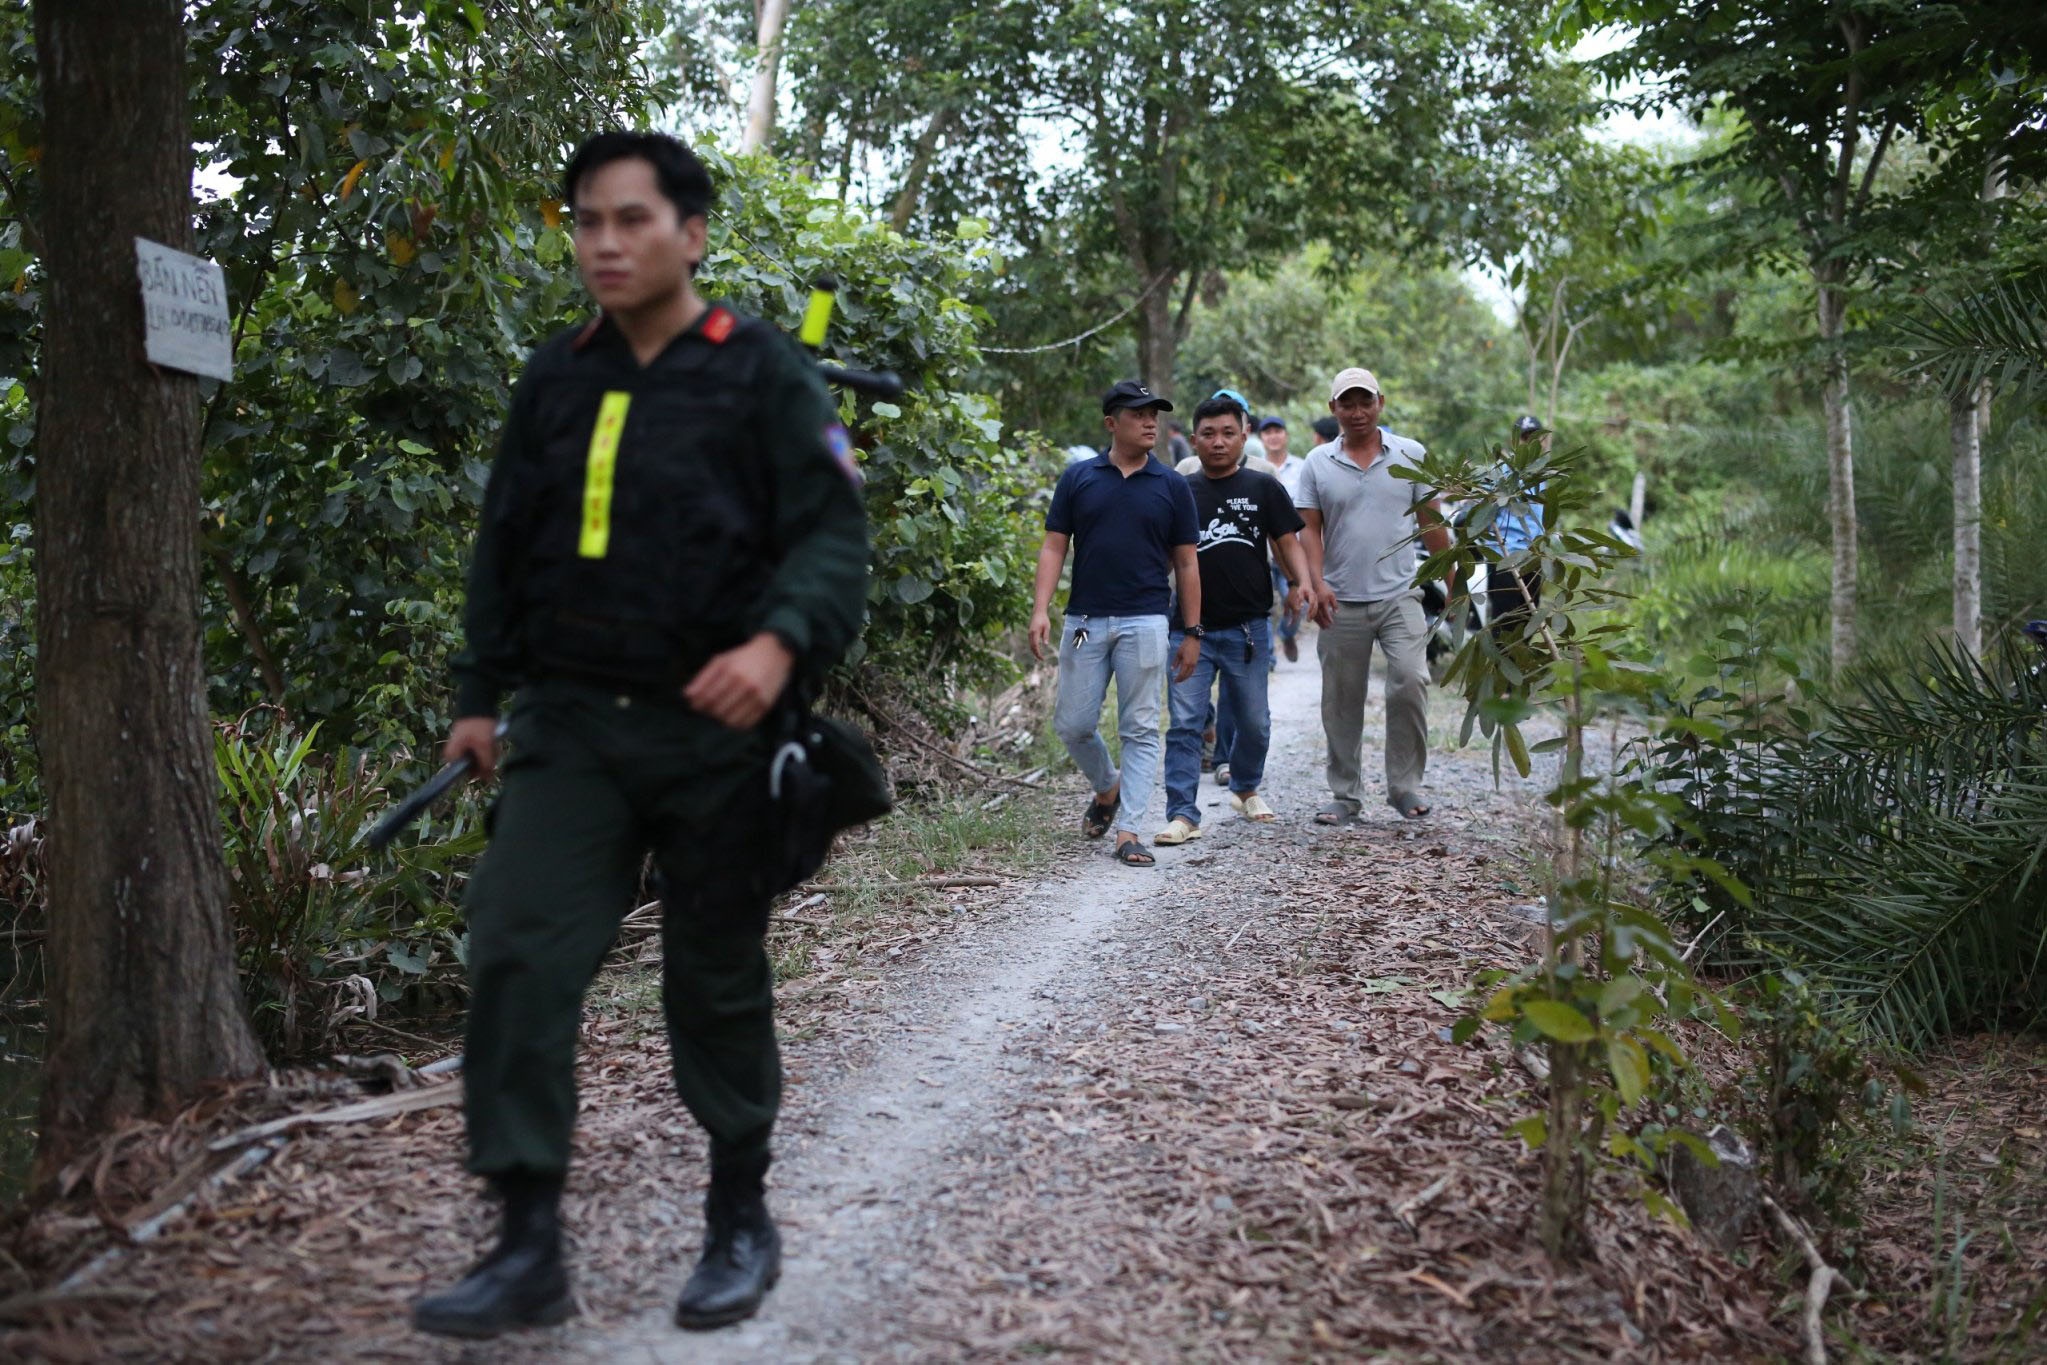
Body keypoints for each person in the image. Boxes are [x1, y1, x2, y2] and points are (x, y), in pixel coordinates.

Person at [410, 131, 870, 1339]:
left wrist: (778, 643)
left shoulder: (760, 369)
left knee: (712, 976)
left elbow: (830, 536)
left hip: (721, 736)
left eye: (630, 220)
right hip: (569, 724)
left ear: (692, 234)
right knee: (516, 947)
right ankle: (523, 1244)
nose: (603, 243)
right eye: (585, 222)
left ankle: (737, 1217)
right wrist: (476, 694)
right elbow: (501, 544)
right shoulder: (555, 376)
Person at [1029, 381, 1202, 868]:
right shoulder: (1079, 477)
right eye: (1138, 414)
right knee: (1074, 723)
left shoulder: (1171, 485)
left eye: (1156, 415)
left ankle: (1129, 832)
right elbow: (1054, 545)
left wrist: (1192, 632)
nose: (1151, 422)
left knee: (1141, 728)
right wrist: (1041, 609)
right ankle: (1108, 787)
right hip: (1085, 619)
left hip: (1147, 620)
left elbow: (1187, 564)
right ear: (1111, 423)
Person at [1295, 367, 1451, 823]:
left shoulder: (1411, 454)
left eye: (1365, 402)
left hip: (1401, 593)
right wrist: (1316, 583)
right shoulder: (1317, 463)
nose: (1357, 412)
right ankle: (1345, 795)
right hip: (1340, 598)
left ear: (1380, 402)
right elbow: (1309, 529)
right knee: (1342, 697)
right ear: (1333, 409)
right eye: (1348, 403)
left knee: (1410, 680)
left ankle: (1405, 786)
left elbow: (1432, 523)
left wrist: (1452, 582)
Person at [1155, 398, 1308, 845]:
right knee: (1185, 723)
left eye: (1227, 433)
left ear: (1244, 437)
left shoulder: (1263, 487)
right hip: (1188, 630)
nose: (1218, 442)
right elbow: (1163, 556)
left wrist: (1300, 583)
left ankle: (1244, 786)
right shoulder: (1179, 490)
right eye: (1208, 433)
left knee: (1254, 720)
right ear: (1195, 439)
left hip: (1249, 629)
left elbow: (1286, 542)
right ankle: (1183, 813)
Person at [1490, 415, 1547, 640]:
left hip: (1534, 561)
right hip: (1506, 558)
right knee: (1503, 631)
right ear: (1515, 441)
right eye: (1524, 437)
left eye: (1534, 437)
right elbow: (1486, 511)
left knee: (1527, 628)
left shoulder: (1542, 474)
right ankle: (1497, 674)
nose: (1529, 442)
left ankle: (1520, 674)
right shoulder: (1502, 471)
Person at [1257, 416, 1308, 662]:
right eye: (1267, 433)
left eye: (1277, 431)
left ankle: (1286, 633)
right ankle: (1268, 659)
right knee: (1264, 606)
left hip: (1293, 548)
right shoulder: (1256, 469)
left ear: (1285, 435)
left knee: (1300, 600)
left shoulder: (1302, 467)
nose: (1273, 436)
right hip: (1264, 550)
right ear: (1261, 438)